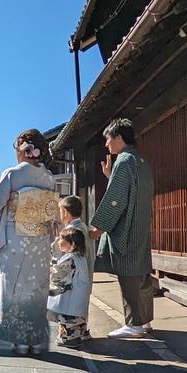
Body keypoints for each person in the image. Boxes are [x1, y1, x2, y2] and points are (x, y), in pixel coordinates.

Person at [0, 129, 58, 355]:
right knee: (36, 289)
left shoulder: (12, 174)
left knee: (14, 287)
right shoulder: (49, 177)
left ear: (23, 148)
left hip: (16, 240)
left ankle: (19, 341)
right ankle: (34, 339)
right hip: (40, 241)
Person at [89, 118, 155, 338]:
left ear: (118, 137)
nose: (106, 144)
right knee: (141, 273)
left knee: (128, 274)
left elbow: (117, 198)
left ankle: (134, 324)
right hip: (140, 223)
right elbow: (130, 191)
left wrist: (100, 225)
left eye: (108, 138)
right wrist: (110, 176)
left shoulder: (124, 161)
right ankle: (144, 321)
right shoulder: (140, 160)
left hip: (127, 226)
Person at [53, 195, 95, 340]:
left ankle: (70, 335)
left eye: (60, 211)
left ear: (65, 212)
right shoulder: (83, 227)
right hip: (85, 269)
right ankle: (82, 331)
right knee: (81, 302)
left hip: (73, 273)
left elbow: (62, 253)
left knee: (69, 304)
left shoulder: (72, 231)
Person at [47, 228, 92, 348]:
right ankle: (81, 334)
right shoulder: (80, 257)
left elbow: (58, 276)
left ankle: (69, 339)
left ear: (71, 244)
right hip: (80, 295)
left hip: (71, 296)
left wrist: (50, 269)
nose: (58, 242)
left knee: (68, 317)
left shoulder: (69, 258)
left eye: (61, 239)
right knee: (79, 317)